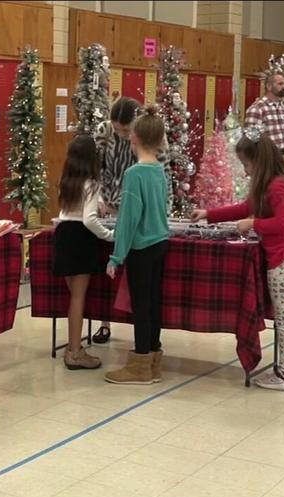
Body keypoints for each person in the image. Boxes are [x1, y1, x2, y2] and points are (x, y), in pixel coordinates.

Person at [192, 130, 284, 392]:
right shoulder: (270, 184)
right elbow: (244, 207)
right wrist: (208, 214)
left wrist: (254, 223)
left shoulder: (277, 186)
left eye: (246, 164)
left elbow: (283, 223)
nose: (245, 170)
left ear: (258, 160)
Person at [103, 104, 170, 385]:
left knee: (140, 306)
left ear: (134, 138)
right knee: (153, 303)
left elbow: (128, 220)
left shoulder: (134, 174)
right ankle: (153, 359)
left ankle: (140, 365)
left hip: (141, 248)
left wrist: (116, 257)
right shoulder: (159, 170)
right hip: (160, 243)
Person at [53, 135, 114, 370]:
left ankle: (73, 347)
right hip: (80, 239)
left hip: (64, 235)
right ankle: (75, 351)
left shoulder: (66, 181)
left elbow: (70, 212)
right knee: (78, 298)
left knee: (73, 297)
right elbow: (89, 220)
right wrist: (109, 236)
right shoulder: (92, 184)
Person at [92, 96, 141, 344]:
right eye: (119, 129)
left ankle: (139, 326)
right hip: (107, 205)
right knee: (106, 265)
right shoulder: (104, 132)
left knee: (133, 268)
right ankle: (104, 322)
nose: (123, 134)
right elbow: (94, 168)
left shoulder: (144, 133)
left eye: (126, 130)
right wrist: (97, 197)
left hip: (133, 207)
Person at [245, 71, 284, 171]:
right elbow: (250, 139)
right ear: (269, 86)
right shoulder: (257, 108)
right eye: (280, 84)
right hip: (268, 159)